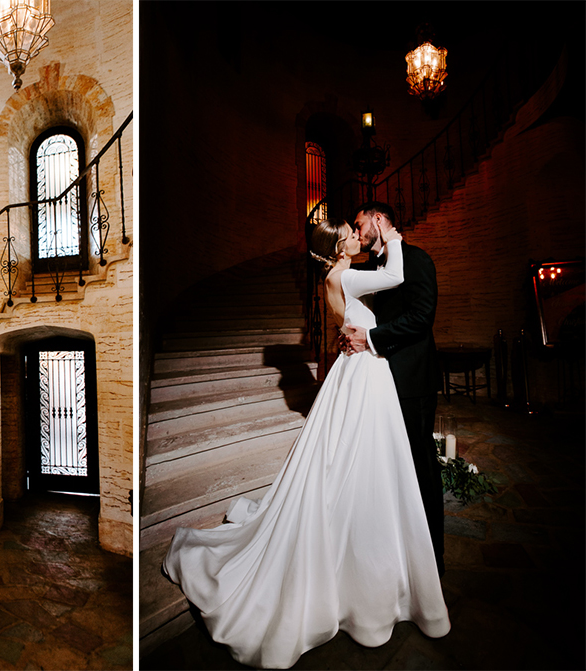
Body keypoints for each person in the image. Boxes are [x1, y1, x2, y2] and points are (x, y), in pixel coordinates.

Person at [162, 217, 450, 669]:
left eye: (359, 232)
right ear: (337, 245)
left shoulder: (337, 277)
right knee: (358, 462)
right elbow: (394, 276)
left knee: (359, 462)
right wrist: (393, 239)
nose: (359, 237)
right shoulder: (346, 273)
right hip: (364, 375)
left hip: (362, 371)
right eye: (351, 234)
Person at [343, 202, 445, 577]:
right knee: (389, 468)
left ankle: (432, 558)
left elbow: (421, 317)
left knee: (419, 463)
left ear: (379, 220)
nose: (358, 232)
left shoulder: (416, 259)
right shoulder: (372, 267)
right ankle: (394, 551)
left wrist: (369, 337)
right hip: (379, 384)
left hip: (411, 379)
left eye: (360, 224)